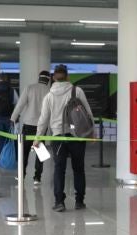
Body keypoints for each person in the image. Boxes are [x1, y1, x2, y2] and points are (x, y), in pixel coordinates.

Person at [34, 64, 93, 212]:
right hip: (77, 136)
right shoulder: (77, 91)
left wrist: (37, 138)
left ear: (53, 78)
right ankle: (79, 201)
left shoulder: (49, 96)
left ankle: (59, 202)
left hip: (58, 137)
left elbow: (43, 119)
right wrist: (92, 133)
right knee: (78, 169)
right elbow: (88, 113)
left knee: (59, 169)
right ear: (67, 76)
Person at [10, 71, 50, 185]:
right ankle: (37, 177)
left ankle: (21, 175)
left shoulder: (30, 88)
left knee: (24, 151)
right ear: (48, 79)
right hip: (42, 125)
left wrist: (13, 118)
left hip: (28, 124)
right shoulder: (49, 91)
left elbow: (20, 105)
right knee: (40, 151)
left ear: (39, 78)